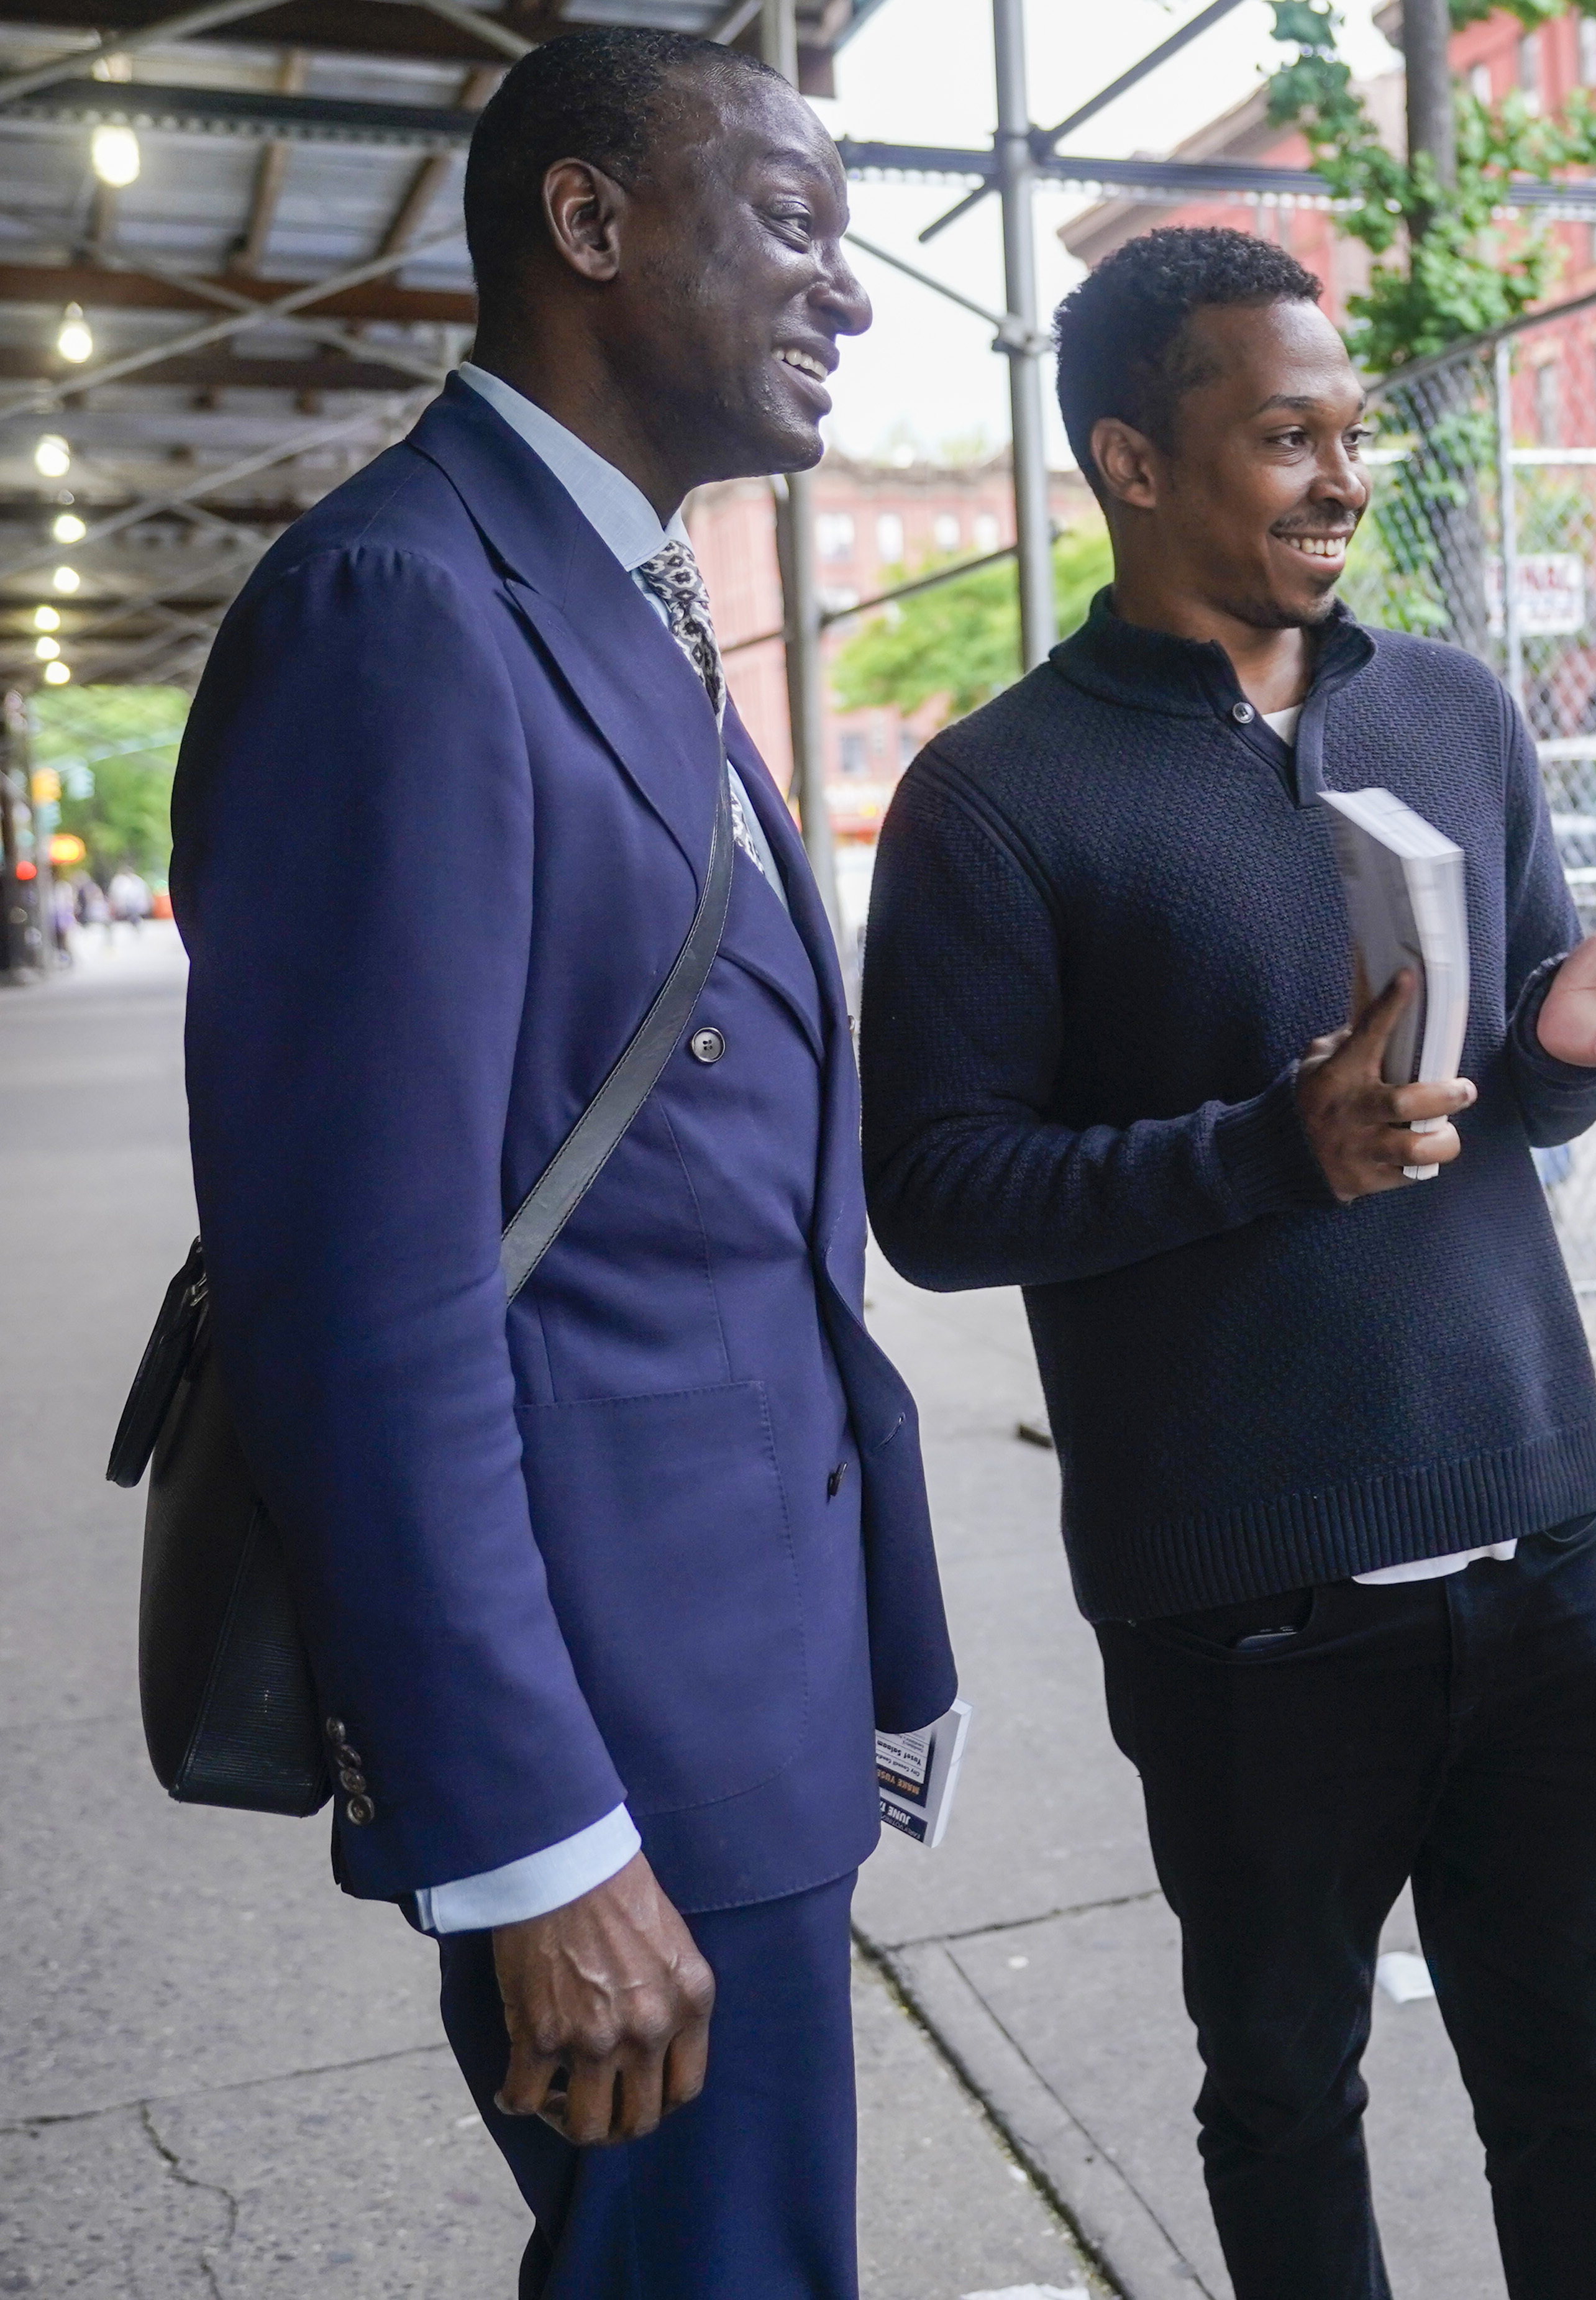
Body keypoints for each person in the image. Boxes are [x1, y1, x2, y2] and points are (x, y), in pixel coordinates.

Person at [859, 227, 1596, 2300]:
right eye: (1285, 438)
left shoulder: (1452, 709)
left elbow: (1509, 1101)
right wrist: (1265, 1148)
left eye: (1351, 434)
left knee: (1584, 2083)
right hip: (1242, 1603)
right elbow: (932, 1194)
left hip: (1542, 1546)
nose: (1342, 479)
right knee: (1283, 2092)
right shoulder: (991, 798)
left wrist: (1563, 1046)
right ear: (1129, 458)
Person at [168, 30, 954, 2296]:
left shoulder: (600, 595)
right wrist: (527, 1836)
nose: (852, 292)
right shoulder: (403, 610)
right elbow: (358, 1291)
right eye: (797, 223)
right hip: (610, 1751)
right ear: (586, 228)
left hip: (729, 1690)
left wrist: (880, 1624)